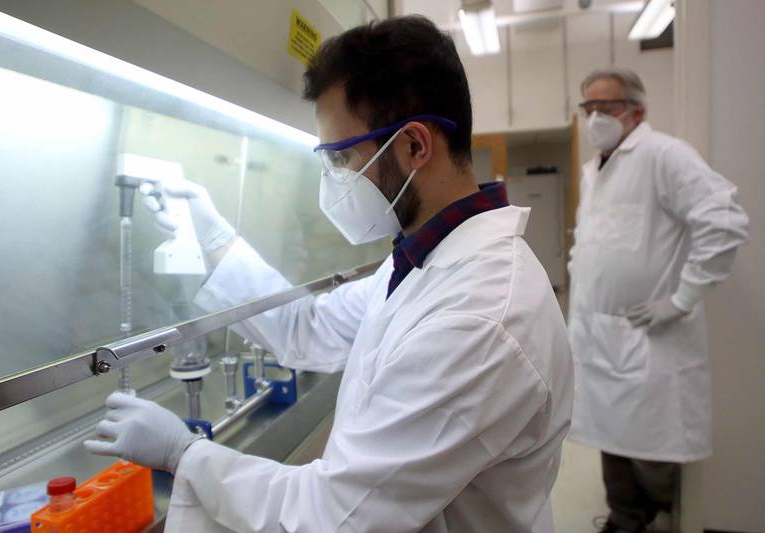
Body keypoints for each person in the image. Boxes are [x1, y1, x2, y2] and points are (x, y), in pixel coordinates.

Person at [85, 16, 574, 532]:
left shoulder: (480, 318)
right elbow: (309, 328)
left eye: (342, 157)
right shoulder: (421, 261)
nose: (333, 179)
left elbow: (333, 516)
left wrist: (185, 454)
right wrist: (212, 237)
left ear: (413, 146)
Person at [567, 67, 749, 533]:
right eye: (588, 109)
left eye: (605, 108)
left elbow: (724, 222)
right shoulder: (595, 170)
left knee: (651, 444)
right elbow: (592, 242)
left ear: (636, 112)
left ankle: (656, 514)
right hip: (600, 333)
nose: (594, 118)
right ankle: (625, 518)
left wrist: (682, 298)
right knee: (610, 435)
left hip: (650, 334)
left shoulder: (664, 156)